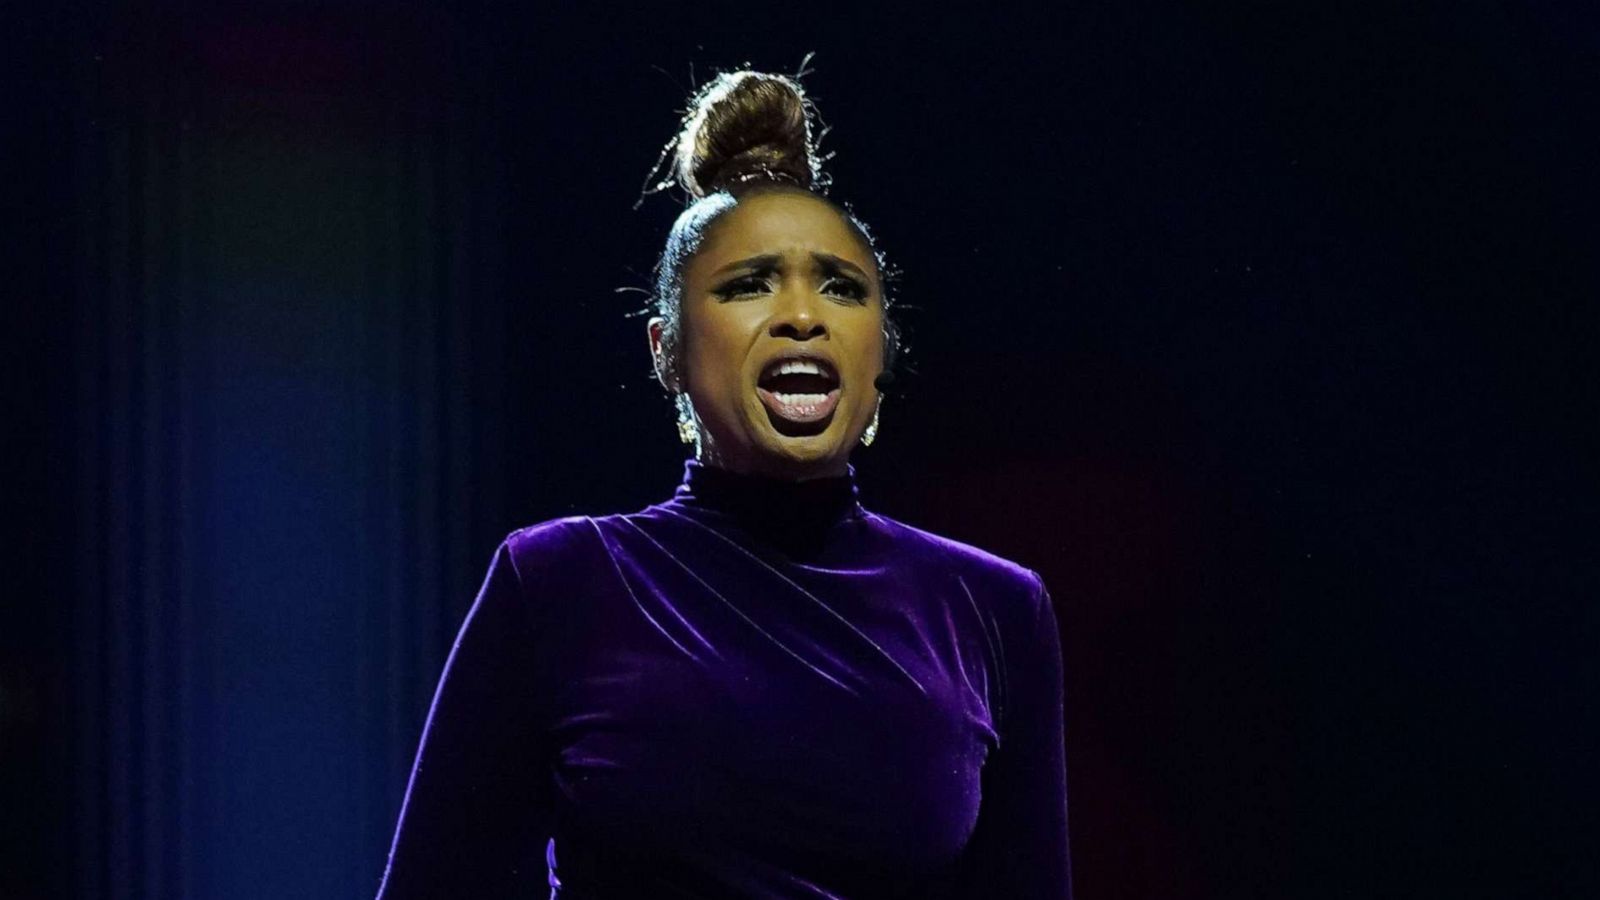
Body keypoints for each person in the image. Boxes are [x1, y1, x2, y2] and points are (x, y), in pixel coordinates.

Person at [375, 66, 1073, 899]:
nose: (802, 315)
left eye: (842, 288)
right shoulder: (559, 583)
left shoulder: (993, 609)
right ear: (665, 350)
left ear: (880, 354)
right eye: (749, 284)